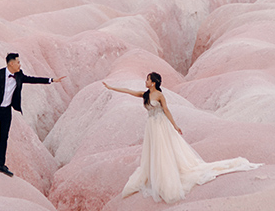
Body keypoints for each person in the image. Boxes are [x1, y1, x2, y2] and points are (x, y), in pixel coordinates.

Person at [103, 72, 261, 203]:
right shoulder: (145, 94)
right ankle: (156, 174)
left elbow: (166, 110)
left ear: (153, 82)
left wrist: (175, 125)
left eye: (147, 79)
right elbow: (128, 91)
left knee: (163, 150)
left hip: (160, 126)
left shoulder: (159, 95)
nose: (145, 81)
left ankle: (165, 176)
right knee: (154, 151)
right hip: (151, 126)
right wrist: (111, 87)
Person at [0, 53, 65, 176]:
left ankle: (0, 165)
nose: (20, 64)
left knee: (4, 137)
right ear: (11, 64)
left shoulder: (19, 75)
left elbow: (32, 79)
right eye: (18, 62)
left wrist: (51, 80)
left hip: (6, 111)